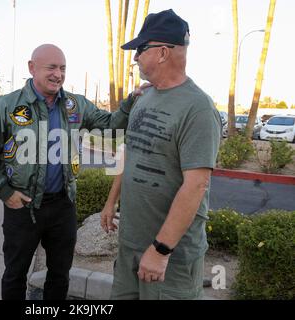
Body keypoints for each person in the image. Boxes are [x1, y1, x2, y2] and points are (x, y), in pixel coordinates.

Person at [0, 44, 141, 300]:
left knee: (60, 275)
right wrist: (4, 191)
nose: (58, 74)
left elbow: (109, 124)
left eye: (62, 68)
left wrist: (130, 102)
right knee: (15, 274)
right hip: (22, 208)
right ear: (32, 68)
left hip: (63, 206)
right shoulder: (5, 106)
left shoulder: (75, 105)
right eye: (51, 67)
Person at [100, 9, 221, 300]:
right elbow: (130, 152)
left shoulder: (199, 109)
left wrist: (161, 250)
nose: (135, 57)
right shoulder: (145, 96)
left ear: (163, 52)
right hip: (130, 245)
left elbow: (196, 185)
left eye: (141, 49)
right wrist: (110, 201)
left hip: (170, 259)